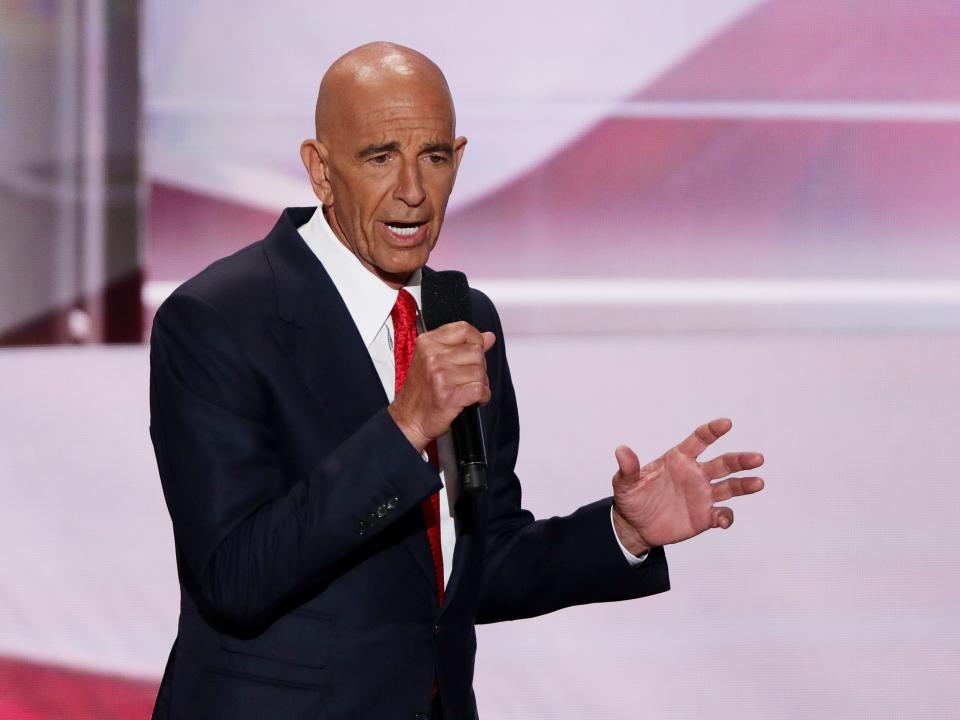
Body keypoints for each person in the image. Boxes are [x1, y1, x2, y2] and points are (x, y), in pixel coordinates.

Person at [148, 42, 765, 719]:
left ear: (458, 160)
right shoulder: (216, 319)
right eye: (380, 157)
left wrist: (623, 531)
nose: (412, 190)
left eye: (434, 158)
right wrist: (404, 428)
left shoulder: (460, 316)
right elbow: (235, 578)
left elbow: (477, 563)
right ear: (321, 172)